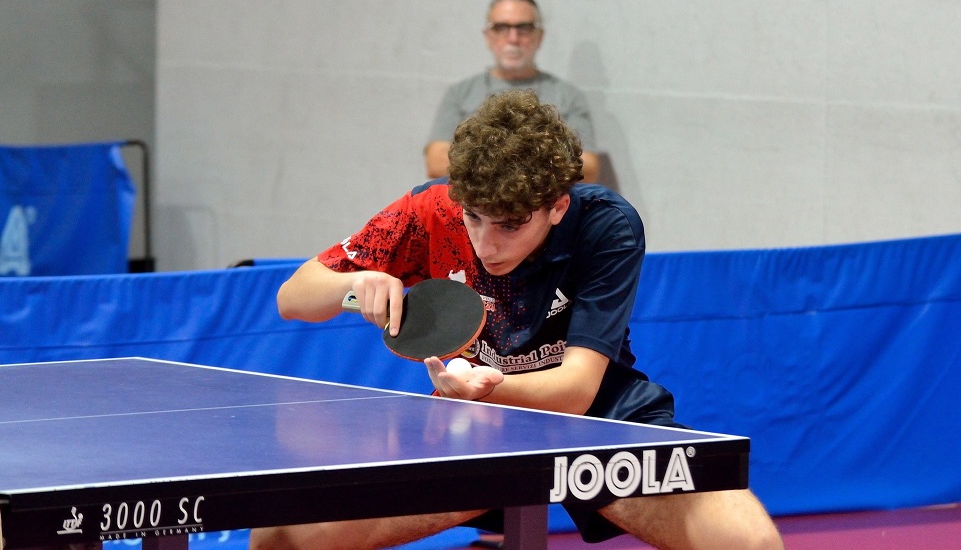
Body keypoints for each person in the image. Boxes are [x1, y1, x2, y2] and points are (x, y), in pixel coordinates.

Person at [254, 90, 783, 550]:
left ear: (557, 207)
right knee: (283, 536)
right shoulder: (429, 211)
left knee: (748, 542)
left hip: (597, 417)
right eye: (474, 218)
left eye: (510, 225)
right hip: (472, 421)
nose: (486, 245)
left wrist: (488, 389)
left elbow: (576, 390)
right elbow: (291, 298)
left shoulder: (605, 226)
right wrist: (354, 287)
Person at [424, 0, 601, 184]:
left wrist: (483, 162)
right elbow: (436, 162)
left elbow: (588, 168)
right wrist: (538, 162)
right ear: (488, 36)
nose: (513, 38)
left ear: (539, 36)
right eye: (501, 28)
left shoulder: (567, 95)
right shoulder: (460, 93)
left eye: (523, 28)